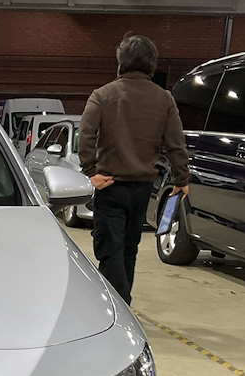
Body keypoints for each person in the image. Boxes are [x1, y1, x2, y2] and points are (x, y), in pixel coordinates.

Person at [78, 33, 189, 305]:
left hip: (110, 186)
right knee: (129, 250)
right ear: (151, 63)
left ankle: (118, 307)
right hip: (142, 189)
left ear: (121, 61)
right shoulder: (164, 99)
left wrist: (90, 171)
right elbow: (176, 143)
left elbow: (86, 135)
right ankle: (123, 305)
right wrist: (181, 178)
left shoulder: (103, 95)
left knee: (110, 251)